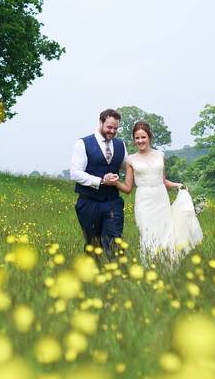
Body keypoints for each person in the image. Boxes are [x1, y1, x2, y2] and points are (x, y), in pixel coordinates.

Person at [115, 120, 202, 263]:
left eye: (143, 137)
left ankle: (167, 269)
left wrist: (178, 185)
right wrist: (114, 183)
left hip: (161, 199)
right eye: (137, 138)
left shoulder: (160, 155)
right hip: (144, 202)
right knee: (148, 236)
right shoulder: (130, 160)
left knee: (166, 234)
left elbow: (163, 180)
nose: (140, 140)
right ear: (134, 139)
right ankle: (149, 267)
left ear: (149, 137)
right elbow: (128, 188)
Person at [70, 109, 127, 258]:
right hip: (89, 203)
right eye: (109, 127)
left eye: (116, 128)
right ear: (101, 122)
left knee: (114, 241)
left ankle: (116, 276)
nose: (113, 131)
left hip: (112, 202)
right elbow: (75, 173)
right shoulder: (83, 143)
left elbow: (128, 167)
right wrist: (101, 181)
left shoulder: (121, 145)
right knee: (93, 245)